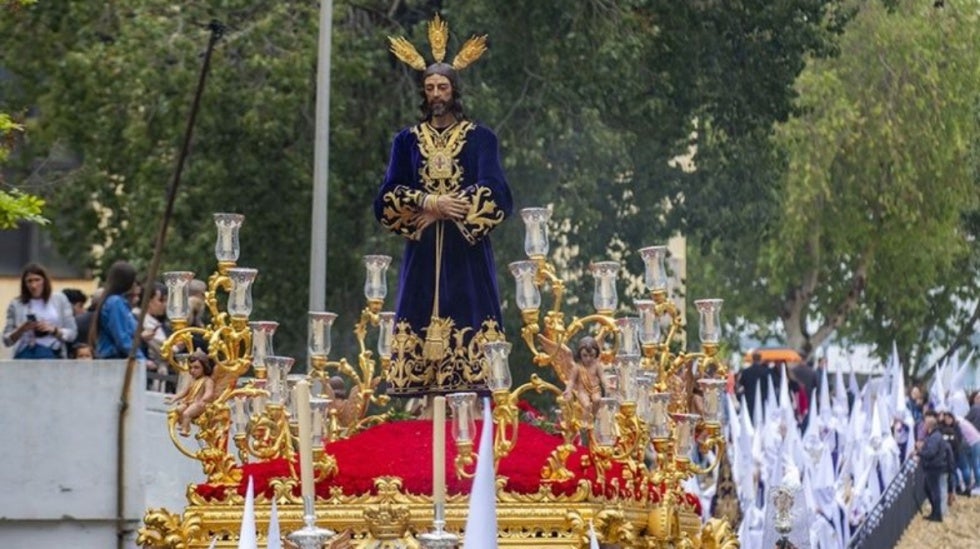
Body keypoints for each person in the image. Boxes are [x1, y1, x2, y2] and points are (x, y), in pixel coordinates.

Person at [374, 15, 512, 397]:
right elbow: (385, 198)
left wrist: (456, 206)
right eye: (430, 87)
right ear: (424, 92)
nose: (436, 93)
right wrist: (428, 202)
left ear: (455, 90)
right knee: (418, 316)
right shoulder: (407, 141)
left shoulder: (480, 138)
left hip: (466, 253)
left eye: (443, 86)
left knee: (470, 316)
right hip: (421, 253)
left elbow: (497, 191)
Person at [3, 263, 77, 359]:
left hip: (51, 351)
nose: (34, 285)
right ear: (24, 284)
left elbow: (72, 334)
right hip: (25, 352)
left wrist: (53, 330)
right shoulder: (16, 304)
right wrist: (21, 329)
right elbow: (6, 340)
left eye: (37, 280)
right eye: (29, 281)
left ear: (45, 281)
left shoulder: (60, 299)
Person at [90, 260, 144, 360]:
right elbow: (122, 337)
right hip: (116, 358)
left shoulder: (120, 303)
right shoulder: (115, 303)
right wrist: (141, 359)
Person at [165, 350, 215, 436]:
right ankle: (183, 424)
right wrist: (174, 398)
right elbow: (184, 391)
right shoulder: (192, 380)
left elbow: (209, 392)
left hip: (199, 403)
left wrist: (204, 399)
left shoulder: (207, 380)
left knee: (186, 413)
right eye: (190, 367)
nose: (192, 370)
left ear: (204, 367)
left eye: (196, 367)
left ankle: (186, 430)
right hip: (189, 401)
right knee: (178, 409)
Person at [916, 414, 951, 521]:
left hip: (934, 467)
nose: (923, 427)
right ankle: (935, 512)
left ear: (929, 425)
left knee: (934, 491)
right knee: (929, 489)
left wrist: (919, 452)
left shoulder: (934, 437)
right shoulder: (934, 436)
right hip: (934, 466)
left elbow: (931, 452)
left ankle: (937, 514)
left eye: (924, 425)